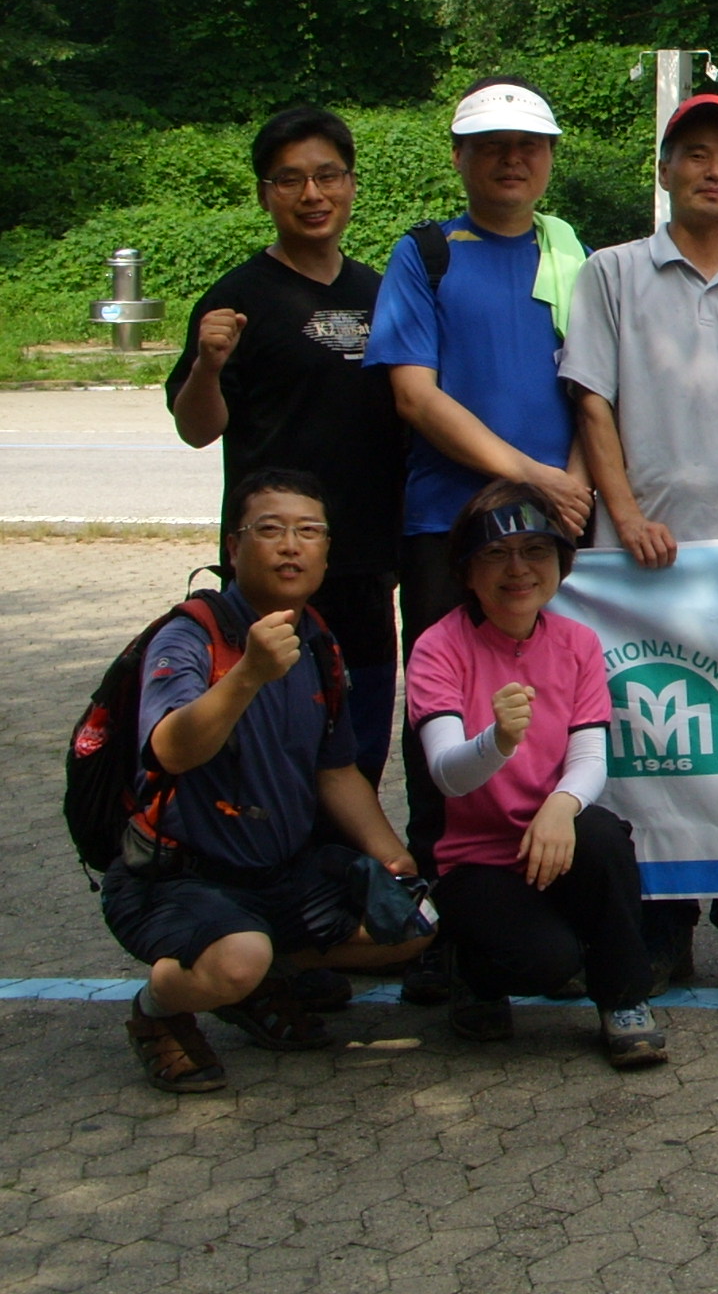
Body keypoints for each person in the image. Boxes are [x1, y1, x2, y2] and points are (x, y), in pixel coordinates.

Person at [561, 91, 718, 999]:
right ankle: (662, 929)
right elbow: (592, 399)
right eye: (696, 154)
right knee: (652, 754)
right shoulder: (613, 273)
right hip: (641, 568)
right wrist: (624, 514)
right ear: (666, 170)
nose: (715, 170)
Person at [103, 470, 431, 1094]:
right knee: (238, 958)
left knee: (412, 925)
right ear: (233, 547)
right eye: (271, 530)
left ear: (327, 551)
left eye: (309, 532)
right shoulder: (192, 634)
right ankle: (159, 1012)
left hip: (278, 873)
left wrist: (392, 857)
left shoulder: (318, 642)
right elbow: (170, 749)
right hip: (177, 875)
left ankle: (253, 980)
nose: (291, 546)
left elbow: (335, 769)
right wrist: (247, 674)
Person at [364, 76, 591, 886]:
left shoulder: (574, 255)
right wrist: (536, 476)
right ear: (459, 158)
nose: (511, 161)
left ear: (551, 158)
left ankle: (554, 894)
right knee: (444, 715)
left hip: (550, 531)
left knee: (562, 717)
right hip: (445, 528)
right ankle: (447, 904)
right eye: (491, 147)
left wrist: (571, 485)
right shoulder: (424, 254)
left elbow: (595, 394)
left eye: (528, 146)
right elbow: (414, 395)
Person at [166, 108, 406, 782]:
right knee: (273, 745)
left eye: (328, 176)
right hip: (276, 565)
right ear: (265, 193)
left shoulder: (380, 294)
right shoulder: (237, 299)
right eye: (290, 180)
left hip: (361, 561)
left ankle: (345, 881)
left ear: (352, 184)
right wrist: (209, 366)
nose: (312, 195)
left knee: (357, 748)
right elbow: (196, 427)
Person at [408, 480, 666, 1069]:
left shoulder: (577, 641)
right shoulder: (437, 647)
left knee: (603, 836)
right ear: (466, 570)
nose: (518, 569)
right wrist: (497, 740)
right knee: (546, 965)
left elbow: (590, 756)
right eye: (495, 554)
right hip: (476, 857)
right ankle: (471, 967)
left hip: (551, 836)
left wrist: (560, 806)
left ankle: (625, 1002)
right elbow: (448, 776)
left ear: (562, 563)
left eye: (536, 551)